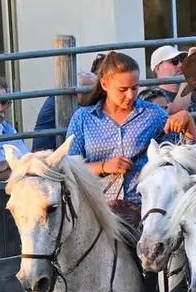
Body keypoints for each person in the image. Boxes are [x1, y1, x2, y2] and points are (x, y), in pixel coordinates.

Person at [66, 52, 172, 213]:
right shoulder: (83, 118)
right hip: (98, 210)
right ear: (104, 84)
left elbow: (177, 150)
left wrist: (187, 125)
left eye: (135, 88)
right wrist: (104, 166)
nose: (130, 95)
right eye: (122, 89)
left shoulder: (154, 114)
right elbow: (70, 168)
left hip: (145, 208)